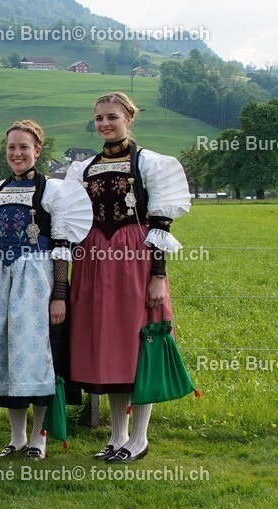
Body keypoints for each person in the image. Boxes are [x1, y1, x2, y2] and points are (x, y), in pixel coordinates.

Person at [65, 92, 191, 463]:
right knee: (109, 346)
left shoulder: (149, 163)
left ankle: (139, 438)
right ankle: (117, 436)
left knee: (138, 345)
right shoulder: (83, 168)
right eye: (99, 118)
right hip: (93, 261)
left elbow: (160, 225)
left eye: (112, 117)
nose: (105, 124)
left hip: (134, 260)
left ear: (128, 118)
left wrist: (158, 276)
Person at [0, 120, 92, 460]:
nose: (17, 153)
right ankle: (16, 436)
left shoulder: (51, 190)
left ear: (38, 150)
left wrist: (60, 295)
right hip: (1, 280)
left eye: (24, 147)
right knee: (9, 356)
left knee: (35, 356)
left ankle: (39, 438)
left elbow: (62, 246)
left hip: (36, 279)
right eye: (12, 147)